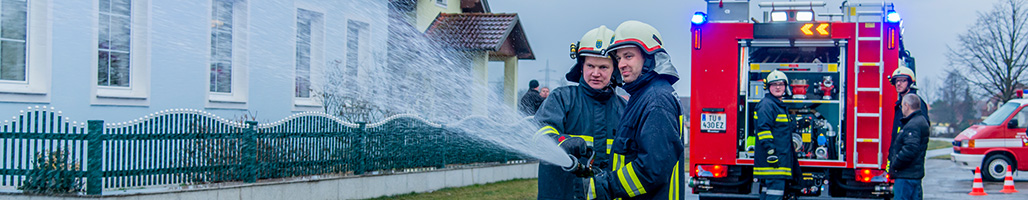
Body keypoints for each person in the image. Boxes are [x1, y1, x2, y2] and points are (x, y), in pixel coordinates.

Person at [586, 20, 684, 200]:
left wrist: (603, 186)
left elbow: (652, 170)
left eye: (628, 56)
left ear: (649, 57)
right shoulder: (642, 97)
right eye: (618, 58)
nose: (621, 64)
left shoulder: (656, 100)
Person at [534, 26, 627, 200]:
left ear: (614, 69)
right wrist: (562, 142)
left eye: (603, 67)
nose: (596, 73)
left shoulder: (625, 109)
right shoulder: (562, 98)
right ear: (581, 66)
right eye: (590, 65)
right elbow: (539, 133)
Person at [752, 70, 801, 200]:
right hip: (774, 162)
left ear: (786, 86)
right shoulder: (767, 105)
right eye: (774, 85)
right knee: (775, 195)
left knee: (768, 194)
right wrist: (771, 151)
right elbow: (763, 130)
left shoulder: (776, 105)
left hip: (778, 160)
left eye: (780, 84)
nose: (778, 87)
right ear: (768, 87)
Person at [888, 94, 929, 200]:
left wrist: (896, 163)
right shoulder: (920, 121)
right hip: (914, 175)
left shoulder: (912, 125)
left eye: (902, 106)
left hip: (905, 177)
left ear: (906, 105)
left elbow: (910, 149)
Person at [889, 67, 929, 140]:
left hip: (909, 149)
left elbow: (921, 130)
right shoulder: (900, 104)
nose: (898, 83)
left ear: (910, 83)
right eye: (897, 81)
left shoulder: (916, 103)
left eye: (903, 80)